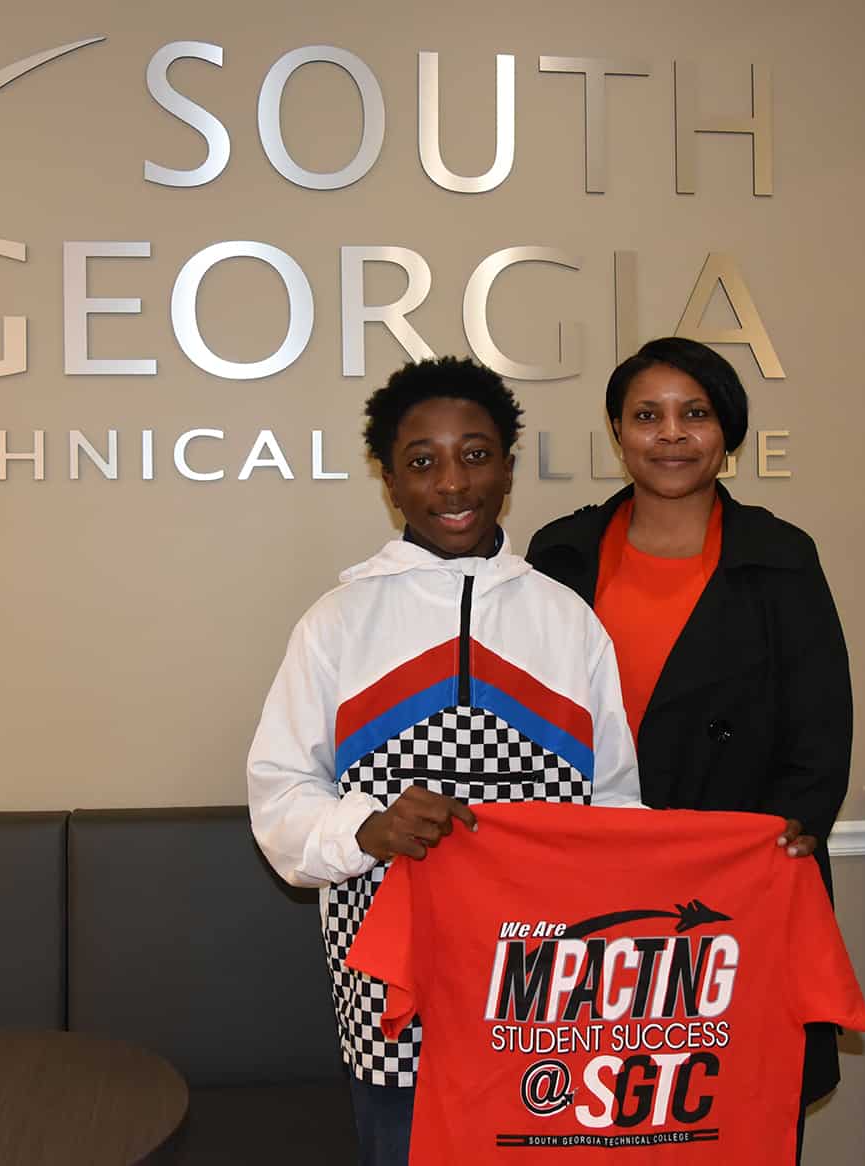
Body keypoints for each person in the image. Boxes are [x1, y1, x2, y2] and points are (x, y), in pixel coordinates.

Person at [247, 355, 641, 1166]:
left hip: (547, 986)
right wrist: (367, 829)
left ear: (506, 467)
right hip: (397, 987)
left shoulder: (569, 624)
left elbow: (617, 810)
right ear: (391, 482)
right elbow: (280, 799)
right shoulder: (338, 621)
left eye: (475, 454)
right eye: (423, 462)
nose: (452, 483)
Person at [526, 336, 852, 1159]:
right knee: (593, 1116)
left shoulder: (781, 557)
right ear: (616, 431)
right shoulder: (558, 555)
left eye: (694, 413)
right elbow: (523, 727)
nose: (670, 434)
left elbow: (819, 740)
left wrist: (773, 840)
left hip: (735, 893)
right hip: (594, 891)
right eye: (647, 415)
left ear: (726, 431)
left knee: (734, 1112)